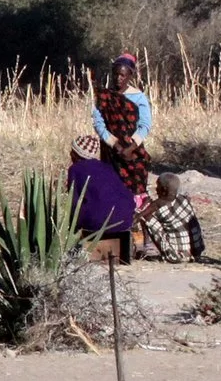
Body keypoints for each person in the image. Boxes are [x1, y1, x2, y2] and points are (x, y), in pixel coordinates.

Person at [90, 53, 154, 207]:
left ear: (130, 75)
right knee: (112, 190)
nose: (119, 78)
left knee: (136, 191)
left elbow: (145, 125)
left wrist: (131, 148)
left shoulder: (139, 97)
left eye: (123, 75)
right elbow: (98, 123)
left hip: (133, 152)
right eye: (116, 74)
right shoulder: (104, 96)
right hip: (111, 152)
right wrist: (115, 145)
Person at [67, 134, 139, 263]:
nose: (70, 154)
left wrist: (71, 227)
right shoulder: (106, 167)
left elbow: (74, 203)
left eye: (72, 152)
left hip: (99, 222)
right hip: (125, 219)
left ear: (77, 155)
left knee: (85, 214)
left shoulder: (75, 169)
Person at [142, 172, 205, 263]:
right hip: (197, 252)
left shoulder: (159, 203)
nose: (156, 189)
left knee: (147, 218)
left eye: (157, 186)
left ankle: (166, 253)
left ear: (164, 189)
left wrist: (144, 204)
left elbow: (140, 215)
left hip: (176, 256)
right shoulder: (183, 199)